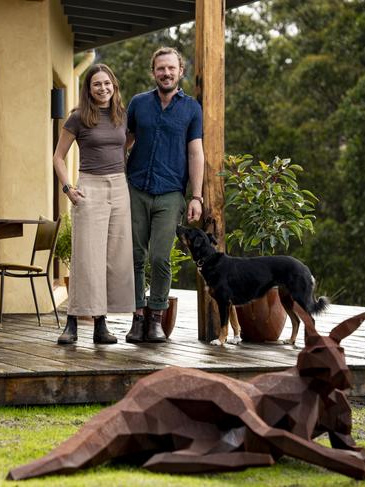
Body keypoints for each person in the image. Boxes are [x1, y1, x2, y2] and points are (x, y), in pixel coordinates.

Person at [124, 47, 204, 344]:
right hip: (136, 188)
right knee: (134, 256)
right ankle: (137, 317)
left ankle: (156, 318)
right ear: (153, 72)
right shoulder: (138, 104)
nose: (166, 73)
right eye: (161, 69)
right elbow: (124, 141)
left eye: (171, 68)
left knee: (159, 257)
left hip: (171, 193)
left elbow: (195, 152)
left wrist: (196, 196)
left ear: (180, 71)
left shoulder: (191, 109)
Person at [53, 64, 134, 345]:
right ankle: (72, 323)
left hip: (119, 188)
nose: (103, 88)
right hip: (89, 187)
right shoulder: (78, 118)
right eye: (97, 84)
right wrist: (68, 188)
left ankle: (102, 325)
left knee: (113, 257)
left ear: (114, 85)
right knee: (86, 257)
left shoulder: (122, 116)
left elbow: (126, 145)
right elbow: (58, 157)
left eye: (107, 83)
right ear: (88, 89)